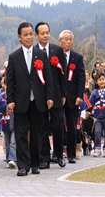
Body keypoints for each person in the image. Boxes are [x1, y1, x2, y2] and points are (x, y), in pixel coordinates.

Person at [6, 22, 54, 176]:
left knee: (37, 134)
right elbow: (10, 81)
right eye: (25, 34)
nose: (28, 37)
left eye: (30, 34)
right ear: (20, 37)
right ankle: (22, 165)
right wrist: (10, 100)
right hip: (21, 102)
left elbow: (48, 78)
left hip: (38, 101)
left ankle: (35, 164)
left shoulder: (41, 55)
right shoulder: (14, 57)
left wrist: (49, 97)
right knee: (20, 134)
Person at [35, 22, 66, 169]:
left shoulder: (57, 50)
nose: (45, 35)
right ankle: (44, 157)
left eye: (47, 32)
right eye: (42, 33)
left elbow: (63, 74)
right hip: (40, 96)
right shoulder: (33, 52)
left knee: (58, 125)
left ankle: (59, 155)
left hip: (56, 94)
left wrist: (63, 94)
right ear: (37, 35)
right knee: (41, 126)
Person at [58, 30, 85, 164]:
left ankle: (71, 154)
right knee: (58, 125)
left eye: (70, 39)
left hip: (73, 97)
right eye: (65, 39)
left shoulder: (77, 57)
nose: (67, 42)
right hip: (58, 96)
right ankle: (58, 153)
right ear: (60, 41)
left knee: (72, 127)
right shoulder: (54, 56)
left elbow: (81, 77)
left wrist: (80, 95)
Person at [0, 75, 17, 169]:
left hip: (14, 120)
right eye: (5, 84)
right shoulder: (1, 95)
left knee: (13, 141)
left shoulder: (15, 95)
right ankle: (8, 158)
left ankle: (12, 158)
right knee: (7, 141)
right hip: (4, 121)